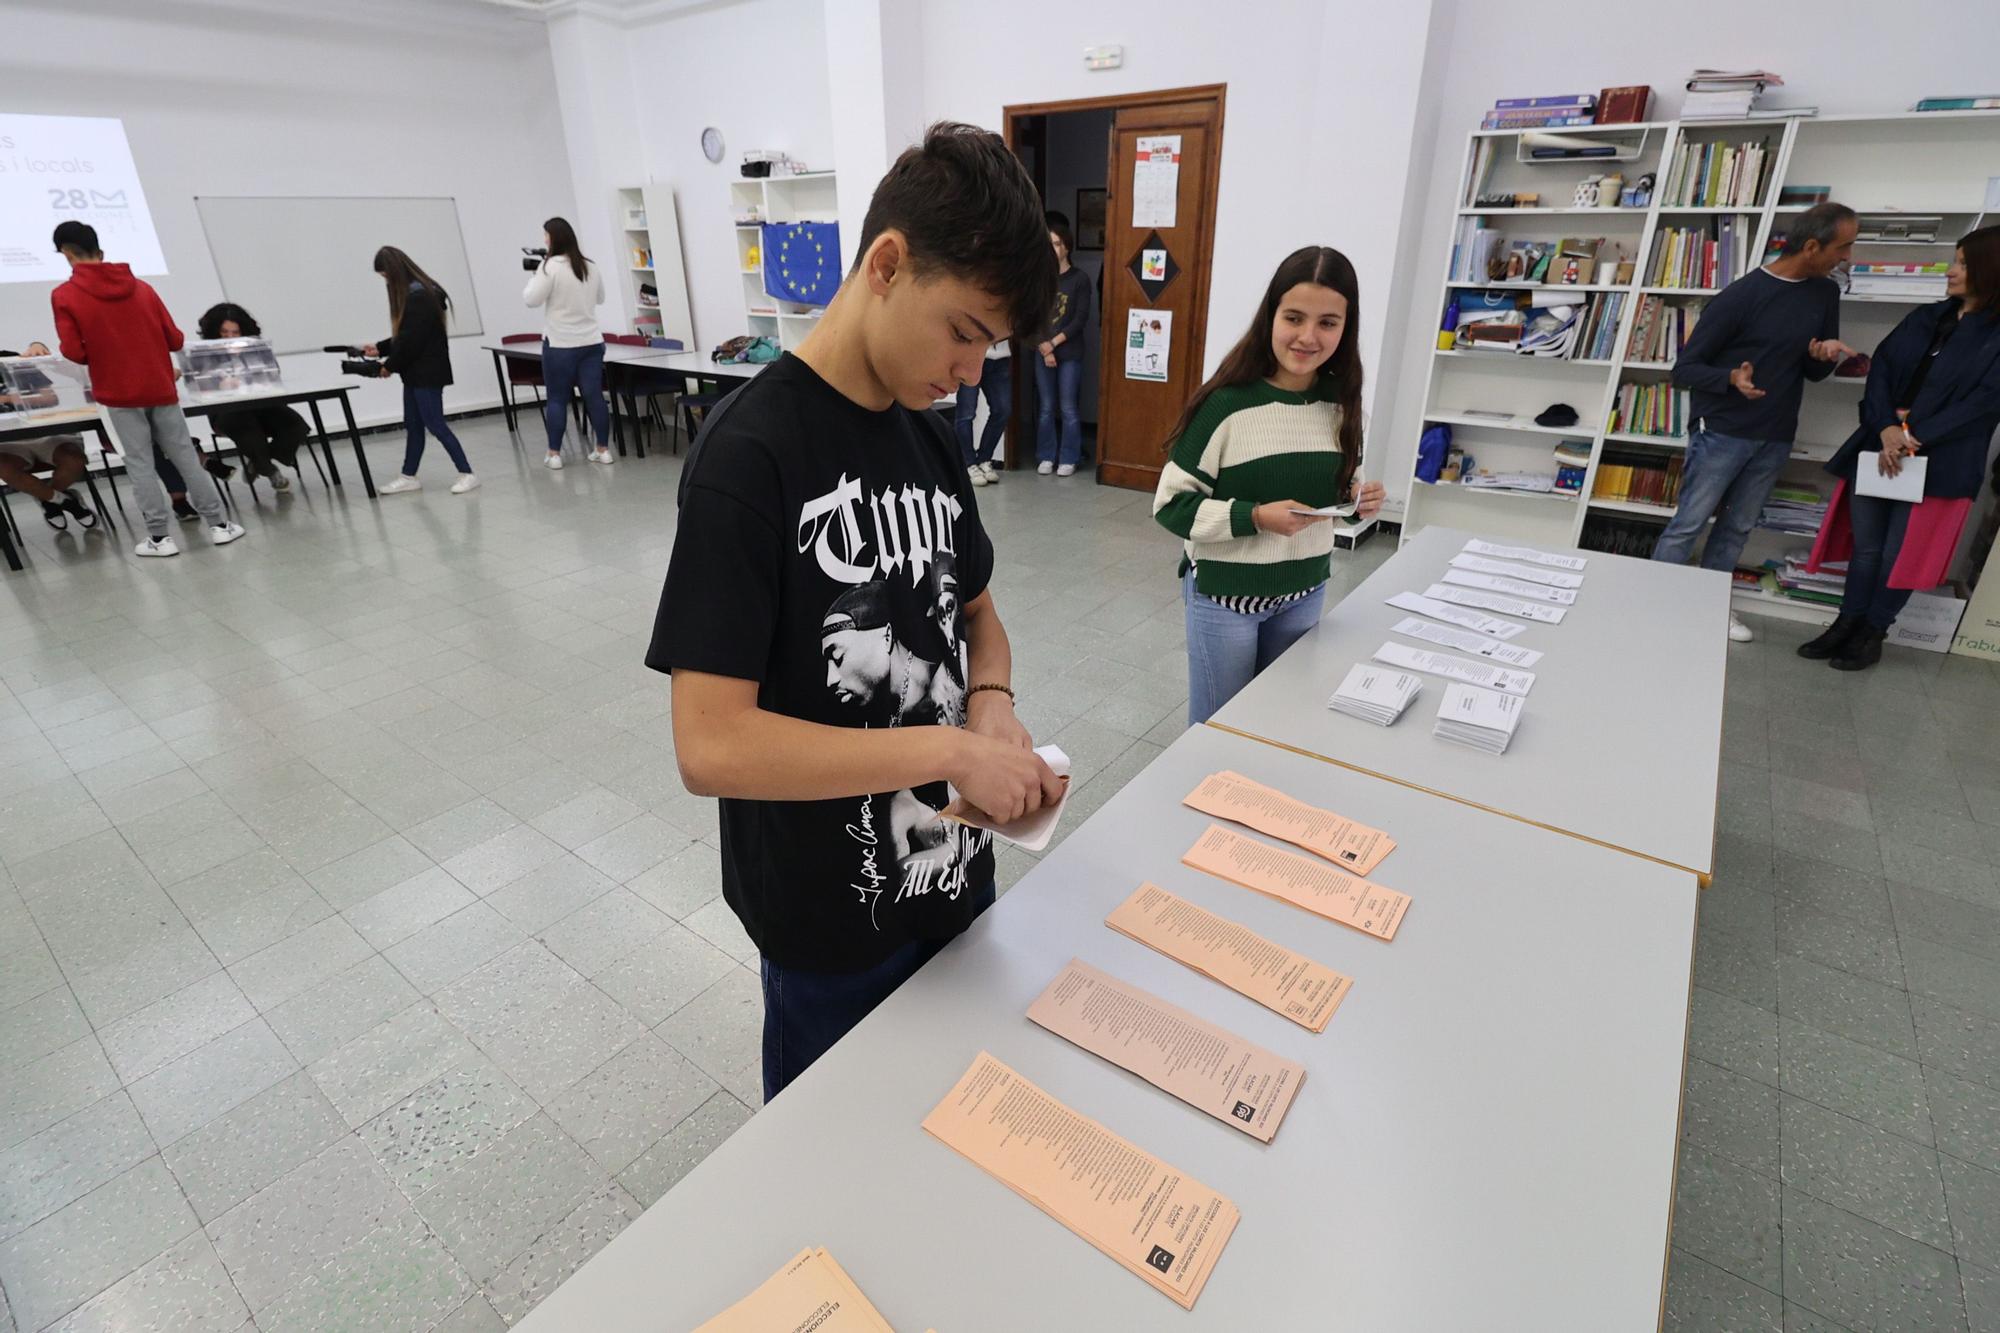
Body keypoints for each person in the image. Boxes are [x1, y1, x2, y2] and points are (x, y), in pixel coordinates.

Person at [648, 122, 1065, 1102]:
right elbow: (710, 746)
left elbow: (979, 615)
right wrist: (947, 753)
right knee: (831, 1181)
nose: (971, 373)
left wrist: (990, 701)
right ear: (886, 265)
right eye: (963, 332)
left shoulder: (928, 439)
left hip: (953, 886)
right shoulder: (749, 456)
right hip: (827, 932)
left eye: (989, 348)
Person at [1153, 246, 1387, 725]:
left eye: (1327, 323)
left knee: (1276, 723)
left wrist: (1359, 501)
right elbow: (1171, 506)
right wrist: (1255, 516)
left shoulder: (1342, 404)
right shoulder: (1226, 405)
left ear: (1346, 328)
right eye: (1294, 317)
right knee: (1219, 730)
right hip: (1224, 599)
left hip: (1304, 592)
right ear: (1271, 317)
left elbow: (1336, 492)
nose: (1307, 336)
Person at [1654, 202, 1860, 642]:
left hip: (1776, 434)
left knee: (1738, 528)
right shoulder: (1741, 296)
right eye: (1843, 247)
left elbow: (1814, 373)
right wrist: (1730, 378)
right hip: (1723, 431)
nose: (1847, 257)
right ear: (1810, 246)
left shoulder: (1825, 292)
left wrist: (1820, 356)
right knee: (1689, 524)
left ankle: (1708, 610)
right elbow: (1684, 370)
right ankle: (1654, 606)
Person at [1800, 226, 2000, 670]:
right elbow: (1881, 372)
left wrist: (1911, 437)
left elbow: (1985, 403)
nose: (1951, 272)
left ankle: (1873, 631)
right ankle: (1845, 623)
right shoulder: (1926, 318)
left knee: (1899, 552)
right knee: (1867, 547)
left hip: (1940, 459)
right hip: (1880, 444)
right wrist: (1888, 428)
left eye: (1964, 264)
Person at [49, 221, 244, 557]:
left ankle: (159, 538)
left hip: (117, 394)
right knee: (185, 457)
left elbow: (74, 351)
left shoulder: (64, 295)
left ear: (67, 254)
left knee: (140, 464)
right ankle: (219, 525)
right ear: (101, 251)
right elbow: (175, 339)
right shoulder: (143, 289)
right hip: (160, 386)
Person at [364, 246, 478, 495]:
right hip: (416, 372)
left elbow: (411, 341)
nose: (385, 281)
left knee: (435, 424)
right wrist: (380, 348)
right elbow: (407, 335)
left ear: (394, 271)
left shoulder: (419, 296)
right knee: (414, 425)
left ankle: (467, 473)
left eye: (385, 276)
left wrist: (388, 366)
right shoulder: (422, 291)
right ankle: (408, 476)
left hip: (427, 372)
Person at [522, 216, 612, 469]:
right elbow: (601, 298)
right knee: (594, 396)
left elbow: (531, 299)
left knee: (557, 399)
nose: (544, 240)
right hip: (592, 342)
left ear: (553, 238)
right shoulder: (590, 266)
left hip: (560, 344)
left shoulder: (549, 267)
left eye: (546, 236)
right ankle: (603, 449)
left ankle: (554, 454)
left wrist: (535, 274)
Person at [194, 303, 308, 491]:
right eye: (224, 332)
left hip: (263, 406)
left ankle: (259, 462)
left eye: (235, 332)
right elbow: (199, 385)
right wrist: (218, 385)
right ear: (214, 332)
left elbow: (272, 375)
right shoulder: (203, 355)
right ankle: (270, 471)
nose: (230, 337)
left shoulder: (257, 349)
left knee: (295, 425)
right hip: (226, 411)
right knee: (248, 429)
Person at [0, 343, 96, 532]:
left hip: (46, 432)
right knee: (3, 469)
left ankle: (49, 500)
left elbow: (50, 398)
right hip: (7, 443)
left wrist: (8, 399)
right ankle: (67, 502)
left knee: (74, 461)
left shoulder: (11, 360)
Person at [1033, 219, 1093, 476]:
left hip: (1069, 353)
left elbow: (1080, 319)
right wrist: (1043, 347)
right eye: (1048, 244)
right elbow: (1030, 315)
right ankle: (1046, 455)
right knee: (1046, 407)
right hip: (1041, 351)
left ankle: (1069, 456)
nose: (1052, 249)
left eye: (1056, 244)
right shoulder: (1037, 279)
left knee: (1068, 407)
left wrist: (1053, 345)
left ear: (1066, 247)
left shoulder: (1079, 279)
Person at [955, 341, 1009, 485]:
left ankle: (984, 459)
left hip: (1001, 357)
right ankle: (969, 464)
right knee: (966, 413)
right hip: (971, 356)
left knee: (1002, 410)